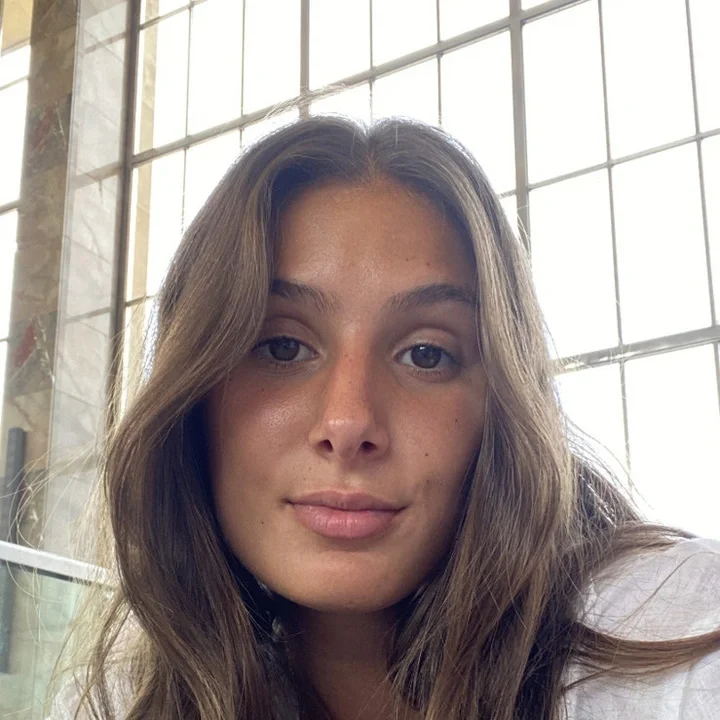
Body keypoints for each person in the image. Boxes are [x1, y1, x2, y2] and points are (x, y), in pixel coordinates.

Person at [49, 115, 720, 720]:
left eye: (426, 354)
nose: (348, 424)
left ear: (503, 406)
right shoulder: (118, 699)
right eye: (281, 347)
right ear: (191, 396)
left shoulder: (680, 638)